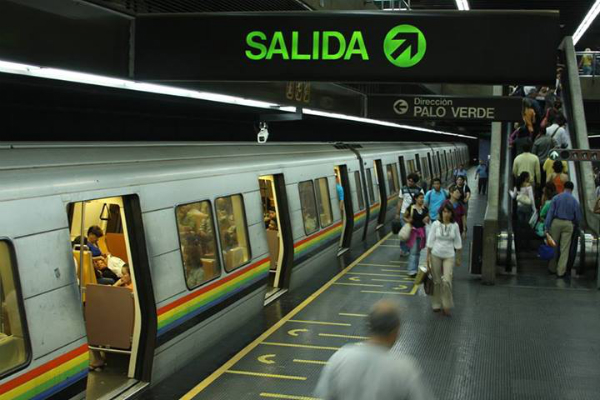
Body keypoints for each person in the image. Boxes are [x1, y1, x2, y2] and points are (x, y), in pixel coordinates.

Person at [314, 300, 434, 400]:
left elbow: (324, 394)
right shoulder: (405, 368)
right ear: (395, 331)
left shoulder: (340, 357)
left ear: (370, 327)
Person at [426, 203, 462, 316]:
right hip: (435, 254)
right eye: (444, 211)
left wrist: (458, 258)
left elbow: (458, 242)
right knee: (436, 281)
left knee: (446, 281)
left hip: (449, 255)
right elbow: (430, 241)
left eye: (448, 212)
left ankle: (446, 305)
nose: (446, 214)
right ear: (441, 212)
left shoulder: (455, 225)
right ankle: (436, 303)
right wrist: (427, 257)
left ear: (452, 213)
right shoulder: (435, 224)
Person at [545, 181, 582, 278]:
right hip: (568, 224)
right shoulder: (574, 201)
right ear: (572, 189)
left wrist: (547, 227)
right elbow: (578, 217)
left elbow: (550, 213)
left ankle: (552, 268)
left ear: (563, 187)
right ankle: (560, 271)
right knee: (565, 248)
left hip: (556, 222)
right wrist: (575, 224)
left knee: (553, 246)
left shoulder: (556, 198)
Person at [396, 173, 424, 256]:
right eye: (409, 180)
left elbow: (422, 202)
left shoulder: (420, 190)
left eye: (411, 181)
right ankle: (403, 249)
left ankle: (410, 248)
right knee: (405, 232)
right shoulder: (403, 189)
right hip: (404, 213)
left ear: (415, 182)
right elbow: (400, 201)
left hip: (415, 214)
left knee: (413, 232)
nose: (409, 182)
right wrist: (397, 213)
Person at [404, 192, 429, 278]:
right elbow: (404, 216)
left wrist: (427, 219)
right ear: (416, 199)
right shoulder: (411, 208)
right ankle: (411, 270)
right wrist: (408, 221)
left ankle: (415, 269)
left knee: (418, 252)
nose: (422, 199)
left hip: (422, 232)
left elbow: (427, 218)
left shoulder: (425, 208)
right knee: (414, 251)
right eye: (420, 198)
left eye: (423, 198)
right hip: (413, 232)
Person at [442, 186, 466, 266]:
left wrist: (464, 229)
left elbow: (463, 216)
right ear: (451, 193)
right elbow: (440, 216)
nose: (459, 194)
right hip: (447, 230)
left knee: (453, 249)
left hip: (458, 230)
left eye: (459, 193)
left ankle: (448, 266)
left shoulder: (460, 204)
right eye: (457, 192)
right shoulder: (445, 203)